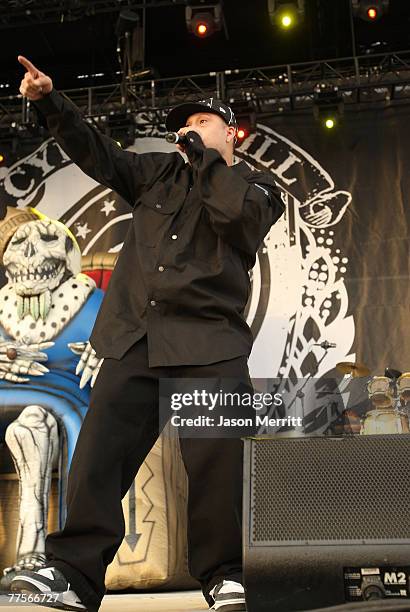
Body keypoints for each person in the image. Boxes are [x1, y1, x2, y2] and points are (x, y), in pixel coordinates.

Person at [10, 55, 285, 612]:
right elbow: (96, 152)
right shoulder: (156, 174)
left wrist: (209, 160)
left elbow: (239, 221)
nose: (188, 129)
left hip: (210, 343)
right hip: (137, 337)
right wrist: (48, 101)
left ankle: (224, 575)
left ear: (229, 131)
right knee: (98, 459)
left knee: (215, 463)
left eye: (202, 121)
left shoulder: (257, 186)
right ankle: (74, 577)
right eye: (183, 124)